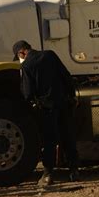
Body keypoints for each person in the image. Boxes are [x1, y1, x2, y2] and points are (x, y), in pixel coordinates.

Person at [12, 40, 79, 186]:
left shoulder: (26, 66)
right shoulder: (50, 55)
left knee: (49, 141)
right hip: (63, 102)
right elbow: (66, 75)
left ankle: (48, 174)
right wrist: (72, 95)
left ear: (22, 52)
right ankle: (74, 171)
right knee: (68, 136)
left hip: (46, 108)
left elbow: (28, 93)